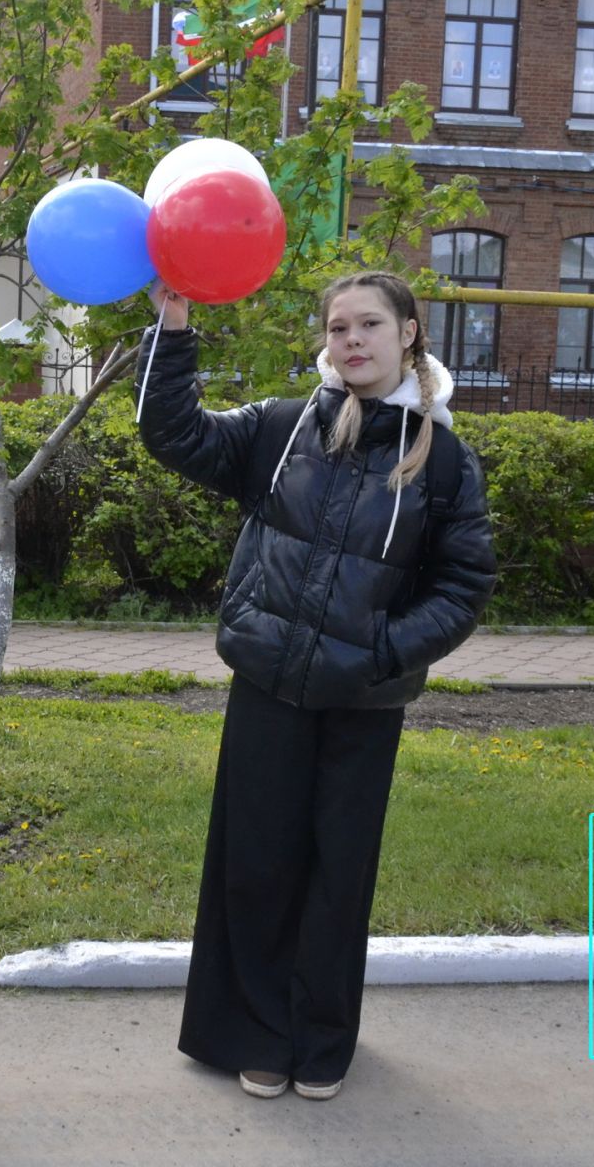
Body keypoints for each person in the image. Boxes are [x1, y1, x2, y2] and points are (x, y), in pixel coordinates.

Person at [135, 272, 496, 1100]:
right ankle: (260, 1034)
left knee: (338, 877)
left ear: (409, 333)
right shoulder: (280, 428)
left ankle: (322, 1041)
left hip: (364, 701)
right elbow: (175, 434)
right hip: (268, 684)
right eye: (338, 328)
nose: (352, 340)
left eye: (369, 324)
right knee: (257, 863)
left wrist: (380, 651)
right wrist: (176, 322)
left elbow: (464, 584)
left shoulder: (444, 461)